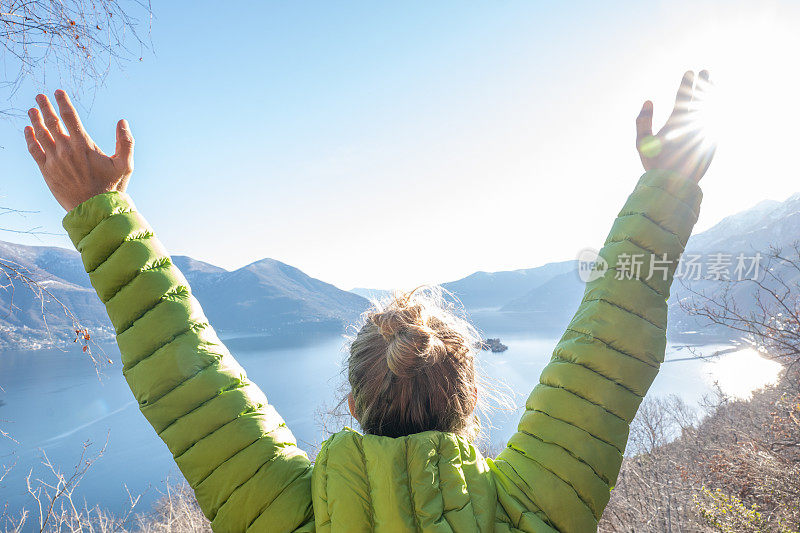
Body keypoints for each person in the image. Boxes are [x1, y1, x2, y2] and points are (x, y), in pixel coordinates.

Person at [22, 71, 714, 532]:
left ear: (352, 404)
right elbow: (609, 351)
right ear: (469, 404)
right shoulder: (530, 511)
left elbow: (189, 380)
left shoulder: (286, 514)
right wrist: (666, 188)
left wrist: (100, 210)